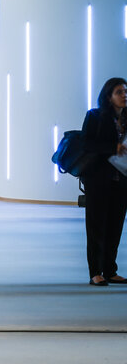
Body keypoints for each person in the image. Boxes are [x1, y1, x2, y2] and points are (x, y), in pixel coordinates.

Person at [82, 77, 127, 286]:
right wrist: (112, 148)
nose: (124, 95)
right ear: (108, 96)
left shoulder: (126, 118)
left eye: (125, 91)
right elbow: (87, 145)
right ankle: (95, 272)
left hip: (121, 181)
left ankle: (110, 270)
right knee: (96, 226)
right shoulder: (95, 116)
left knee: (115, 226)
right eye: (119, 92)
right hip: (98, 180)